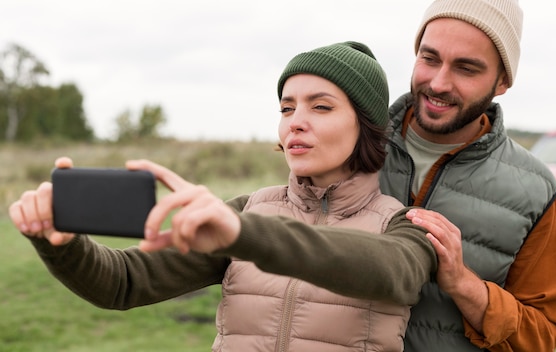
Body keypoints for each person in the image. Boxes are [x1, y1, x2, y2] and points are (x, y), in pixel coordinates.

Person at [8, 42, 437, 352]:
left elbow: (389, 272)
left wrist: (243, 235)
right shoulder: (246, 212)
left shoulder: (403, 227)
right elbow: (123, 283)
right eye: (287, 108)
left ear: (366, 125)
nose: (295, 123)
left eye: (320, 107)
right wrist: (60, 244)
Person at [379, 0, 556, 350]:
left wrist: (464, 285)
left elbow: (542, 334)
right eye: (430, 58)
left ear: (502, 82)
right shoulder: (351, 145)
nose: (438, 83)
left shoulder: (534, 189)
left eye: (466, 68)